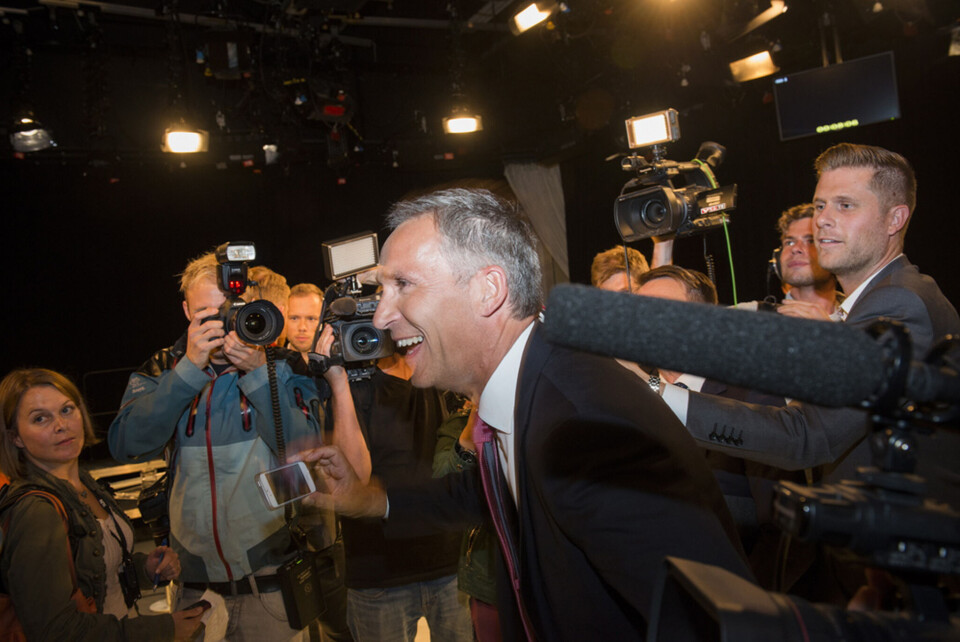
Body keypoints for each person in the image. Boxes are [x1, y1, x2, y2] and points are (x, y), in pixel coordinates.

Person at [299, 188, 752, 640]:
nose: (379, 317)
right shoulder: (530, 388)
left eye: (403, 285)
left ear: (488, 290)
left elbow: (705, 618)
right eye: (383, 289)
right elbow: (478, 490)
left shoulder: (583, 428)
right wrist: (369, 499)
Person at [108, 251, 324, 640]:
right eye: (205, 314)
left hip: (270, 583)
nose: (220, 324)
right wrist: (188, 371)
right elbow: (126, 444)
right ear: (186, 311)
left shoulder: (284, 365)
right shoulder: (164, 367)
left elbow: (305, 452)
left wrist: (259, 375)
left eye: (226, 310)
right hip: (193, 587)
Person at [0, 368, 205, 641]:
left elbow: (93, 576)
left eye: (67, 410)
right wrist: (163, 630)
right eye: (40, 418)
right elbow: (55, 631)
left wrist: (143, 569)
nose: (61, 425)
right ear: (15, 437)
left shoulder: (85, 484)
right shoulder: (36, 510)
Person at [335, 349, 471, 642]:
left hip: (450, 564)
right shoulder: (353, 382)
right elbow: (354, 479)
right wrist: (337, 383)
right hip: (378, 573)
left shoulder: (443, 375)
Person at [287, 283, 324, 357]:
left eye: (311, 319)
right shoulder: (266, 363)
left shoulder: (339, 366)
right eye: (294, 318)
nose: (302, 328)